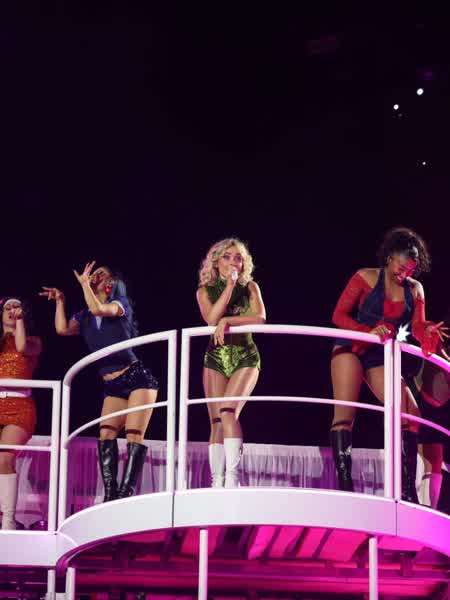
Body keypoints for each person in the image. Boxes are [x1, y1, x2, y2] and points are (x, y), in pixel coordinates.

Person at [330, 227, 443, 502]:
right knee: (345, 414)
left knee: (410, 415)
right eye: (401, 267)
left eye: (411, 270)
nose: (404, 274)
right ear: (390, 256)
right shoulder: (366, 276)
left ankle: (406, 490)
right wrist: (366, 331)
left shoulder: (415, 289)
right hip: (352, 346)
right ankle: (345, 485)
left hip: (379, 355)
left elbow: (417, 326)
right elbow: (339, 315)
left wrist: (427, 331)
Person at [41, 262, 158, 501]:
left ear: (110, 283)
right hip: (112, 383)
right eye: (93, 274)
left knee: (134, 433)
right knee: (106, 434)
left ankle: (125, 493)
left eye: (101, 274)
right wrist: (61, 300)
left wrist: (85, 284)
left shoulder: (119, 305)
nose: (95, 276)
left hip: (136, 377)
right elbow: (62, 329)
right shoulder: (84, 316)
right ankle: (110, 494)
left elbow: (99, 309)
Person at [197, 239, 266, 488]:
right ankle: (217, 481)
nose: (233, 262)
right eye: (227, 257)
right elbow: (211, 319)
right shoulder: (204, 291)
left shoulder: (250, 287)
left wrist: (227, 321)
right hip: (216, 357)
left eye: (238, 257)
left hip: (245, 355)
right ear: (217, 262)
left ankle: (233, 479)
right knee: (216, 421)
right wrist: (228, 288)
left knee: (228, 411)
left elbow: (260, 318)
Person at [0, 297, 41, 529]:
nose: (11, 310)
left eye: (16, 306)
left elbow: (22, 347)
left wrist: (19, 322)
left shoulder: (33, 341)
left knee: (4, 458)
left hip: (19, 407)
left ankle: (8, 523)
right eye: (7, 308)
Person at [405, 312, 450, 509]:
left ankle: (428, 512)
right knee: (416, 455)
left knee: (434, 460)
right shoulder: (442, 331)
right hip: (420, 395)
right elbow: (424, 330)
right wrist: (427, 330)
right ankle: (411, 504)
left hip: (438, 406)